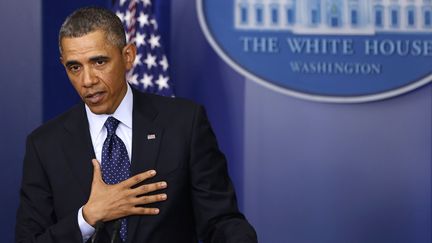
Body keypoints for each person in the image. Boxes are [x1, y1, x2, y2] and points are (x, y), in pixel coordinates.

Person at [15, 6, 257, 243]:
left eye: (99, 62)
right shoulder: (45, 145)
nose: (87, 80)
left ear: (128, 56)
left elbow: (221, 221)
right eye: (74, 67)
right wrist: (87, 218)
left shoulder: (184, 123)